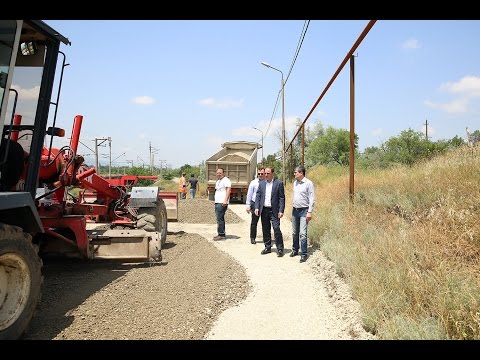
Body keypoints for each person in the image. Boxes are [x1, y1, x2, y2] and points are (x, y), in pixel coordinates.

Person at [254, 166, 285, 257]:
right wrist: (256, 207)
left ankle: (280, 249)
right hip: (264, 210)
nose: (266, 175)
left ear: (272, 174)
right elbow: (258, 196)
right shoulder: (262, 183)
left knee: (276, 229)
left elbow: (282, 198)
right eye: (265, 173)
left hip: (274, 210)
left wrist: (281, 210)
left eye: (268, 173)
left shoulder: (278, 183)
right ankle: (267, 247)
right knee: (265, 229)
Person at [290, 165, 315, 263]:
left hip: (304, 211)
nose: (294, 174)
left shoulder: (309, 183)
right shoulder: (295, 183)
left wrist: (309, 212)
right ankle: (295, 250)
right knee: (294, 232)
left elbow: (312, 199)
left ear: (301, 173)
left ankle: (304, 254)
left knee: (303, 234)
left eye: (295, 172)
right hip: (295, 210)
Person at [246, 167, 265, 244]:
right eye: (259, 174)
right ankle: (252, 237)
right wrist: (248, 205)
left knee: (265, 223)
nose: (260, 175)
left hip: (264, 205)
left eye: (262, 174)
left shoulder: (267, 182)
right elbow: (249, 194)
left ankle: (266, 238)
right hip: (254, 204)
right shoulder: (253, 183)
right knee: (254, 222)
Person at [213, 167, 231, 241]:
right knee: (219, 218)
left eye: (220, 173)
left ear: (223, 173)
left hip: (222, 203)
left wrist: (225, 201)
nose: (218, 174)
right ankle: (220, 233)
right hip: (217, 202)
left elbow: (228, 190)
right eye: (217, 173)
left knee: (220, 219)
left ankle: (222, 235)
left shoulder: (226, 180)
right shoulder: (218, 181)